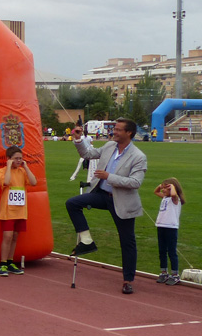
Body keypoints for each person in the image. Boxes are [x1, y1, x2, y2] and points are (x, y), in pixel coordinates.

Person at [67, 120, 146, 295]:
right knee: (73, 203)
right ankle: (86, 241)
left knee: (127, 242)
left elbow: (135, 183)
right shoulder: (110, 146)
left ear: (129, 133)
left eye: (118, 130)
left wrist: (109, 176)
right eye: (114, 129)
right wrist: (79, 140)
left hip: (122, 201)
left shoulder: (138, 156)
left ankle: (128, 280)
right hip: (101, 195)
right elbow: (88, 154)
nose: (114, 132)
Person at [0, 146, 37, 277]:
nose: (19, 161)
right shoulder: (2, 171)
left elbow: (34, 182)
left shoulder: (22, 172)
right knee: (7, 236)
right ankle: (3, 263)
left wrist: (26, 167)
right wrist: (8, 166)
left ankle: (10, 261)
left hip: (20, 210)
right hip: (8, 210)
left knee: (15, 237)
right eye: (16, 159)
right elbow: (6, 182)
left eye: (20, 158)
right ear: (8, 159)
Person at [153, 178, 184, 286]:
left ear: (172, 188)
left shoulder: (175, 199)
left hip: (171, 227)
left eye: (166, 188)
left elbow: (174, 194)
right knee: (162, 251)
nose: (163, 191)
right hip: (161, 226)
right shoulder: (165, 198)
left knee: (171, 252)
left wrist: (172, 187)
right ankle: (163, 272)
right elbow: (155, 192)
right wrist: (160, 186)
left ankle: (175, 274)